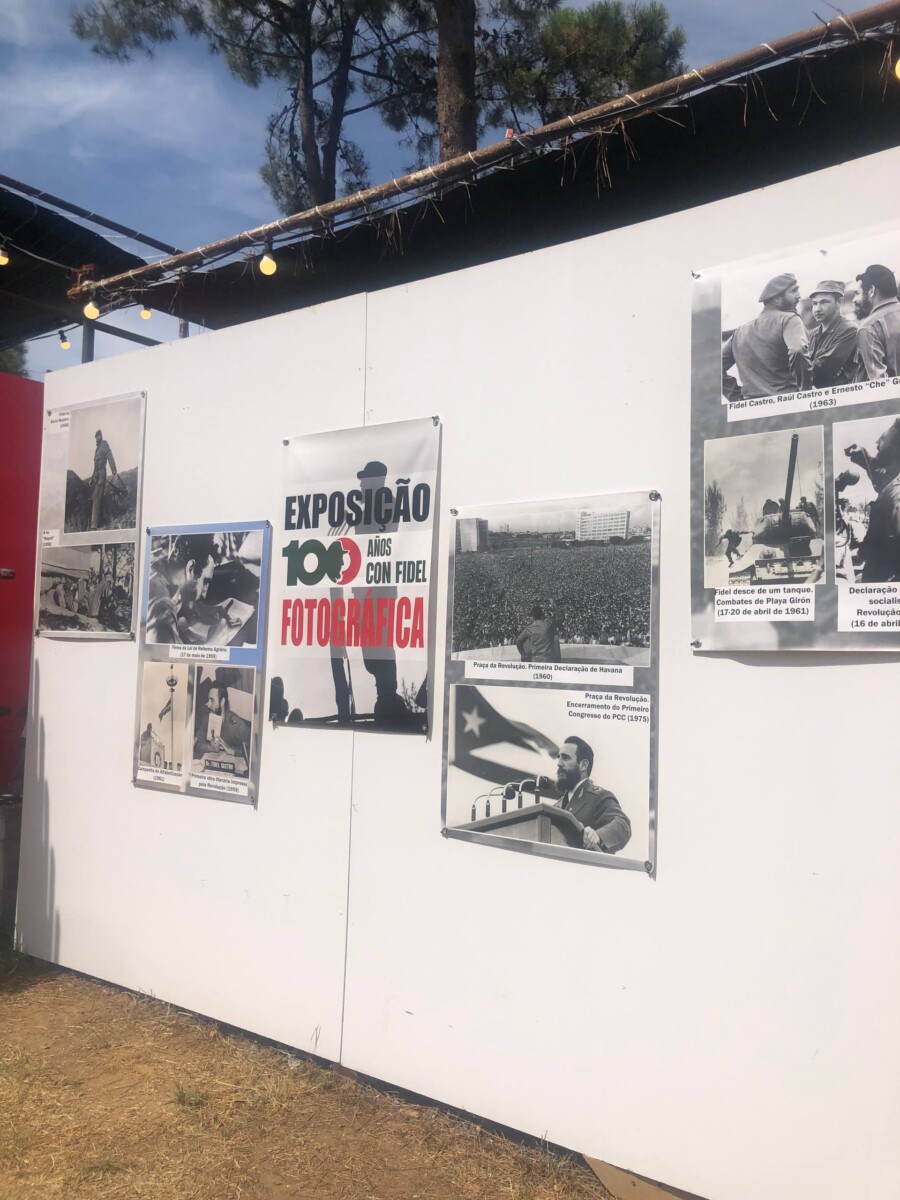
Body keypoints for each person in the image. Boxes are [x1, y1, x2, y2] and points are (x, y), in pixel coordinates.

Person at [722, 273, 812, 399]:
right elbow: (798, 350)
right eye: (793, 291)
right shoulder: (790, 319)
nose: (799, 296)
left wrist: (736, 398)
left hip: (752, 406)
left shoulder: (739, 332)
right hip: (788, 402)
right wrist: (806, 391)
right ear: (777, 298)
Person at [843, 416, 900, 582]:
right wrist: (860, 453)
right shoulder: (891, 476)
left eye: (882, 439)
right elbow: (877, 471)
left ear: (896, 450)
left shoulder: (896, 493)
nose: (876, 442)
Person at [554, 735, 631, 853]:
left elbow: (623, 825)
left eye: (565, 758)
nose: (559, 763)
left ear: (583, 765)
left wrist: (597, 836)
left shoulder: (598, 797)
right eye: (558, 757)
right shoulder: (556, 807)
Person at [146, 533, 224, 644]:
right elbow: (165, 653)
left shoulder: (157, 569)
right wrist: (216, 641)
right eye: (205, 581)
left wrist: (193, 608)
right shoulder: (161, 603)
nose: (204, 594)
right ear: (190, 568)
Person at [807, 280, 859, 388]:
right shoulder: (812, 334)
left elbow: (824, 369)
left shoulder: (849, 330)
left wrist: (797, 371)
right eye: (815, 303)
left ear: (839, 302)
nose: (817, 309)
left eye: (824, 302)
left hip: (840, 395)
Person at [854, 264, 900, 380]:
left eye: (857, 293)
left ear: (871, 290)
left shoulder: (868, 327)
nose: (854, 300)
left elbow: (879, 384)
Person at [194, 683, 251, 759]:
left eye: (212, 700)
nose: (208, 705)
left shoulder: (236, 723)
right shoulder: (207, 718)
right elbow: (198, 744)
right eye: (208, 700)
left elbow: (253, 750)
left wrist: (232, 751)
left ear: (222, 702)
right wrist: (210, 747)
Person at [89, 428, 124, 530]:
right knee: (96, 498)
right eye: (96, 437)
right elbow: (95, 467)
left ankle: (94, 525)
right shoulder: (97, 450)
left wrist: (114, 470)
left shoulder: (104, 444)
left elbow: (110, 456)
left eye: (98, 436)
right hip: (96, 476)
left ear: (101, 436)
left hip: (101, 475)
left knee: (97, 498)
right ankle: (100, 522)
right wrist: (92, 479)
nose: (97, 438)